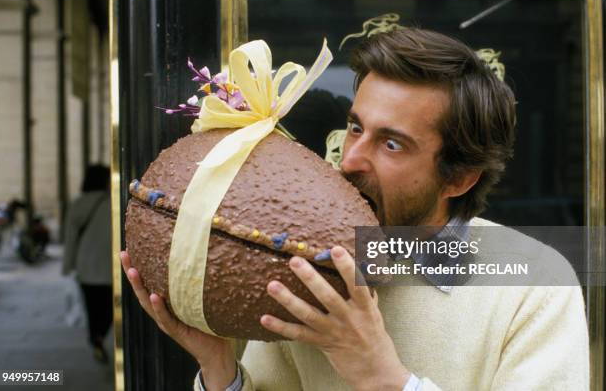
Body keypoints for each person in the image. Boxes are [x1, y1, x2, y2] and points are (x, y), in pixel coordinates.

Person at [120, 28, 589, 390]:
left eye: (390, 143)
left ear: (459, 178)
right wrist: (220, 367)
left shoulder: (538, 285)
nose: (350, 159)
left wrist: (381, 376)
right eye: (355, 127)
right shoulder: (308, 264)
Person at [63, 164, 113, 363]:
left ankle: (95, 338)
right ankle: (100, 335)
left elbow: (71, 238)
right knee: (110, 306)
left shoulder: (78, 204)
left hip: (86, 265)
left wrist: (68, 266)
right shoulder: (112, 202)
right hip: (109, 265)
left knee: (93, 307)